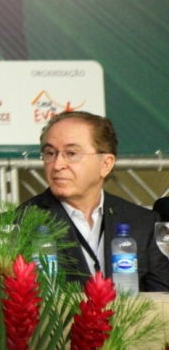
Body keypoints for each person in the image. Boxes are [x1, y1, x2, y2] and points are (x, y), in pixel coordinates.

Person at [20, 111, 169, 290]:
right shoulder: (21, 224)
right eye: (50, 153)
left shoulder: (143, 223)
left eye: (71, 153)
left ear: (105, 164)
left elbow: (162, 301)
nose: (58, 165)